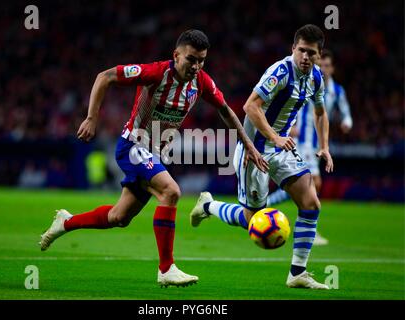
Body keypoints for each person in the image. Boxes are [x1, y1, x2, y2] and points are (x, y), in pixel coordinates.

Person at [39, 29, 268, 287]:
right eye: (191, 59)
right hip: (133, 145)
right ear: (176, 55)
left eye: (201, 60)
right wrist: (92, 118)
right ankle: (166, 268)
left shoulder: (201, 82)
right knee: (171, 192)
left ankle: (66, 222)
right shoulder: (156, 73)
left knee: (119, 217)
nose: (196, 66)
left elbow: (225, 110)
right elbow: (105, 77)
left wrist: (249, 145)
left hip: (156, 154)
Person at [190, 24, 333, 289]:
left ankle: (297, 273)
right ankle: (208, 205)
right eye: (301, 50)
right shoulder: (280, 71)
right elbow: (250, 106)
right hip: (254, 150)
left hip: (281, 148)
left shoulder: (315, 78)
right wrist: (274, 137)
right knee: (251, 219)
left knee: (311, 203)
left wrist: (324, 146)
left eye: (311, 53)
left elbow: (321, 112)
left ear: (318, 55)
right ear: (293, 48)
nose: (305, 57)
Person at [267, 49, 353, 245]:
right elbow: (294, 104)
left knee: (309, 186)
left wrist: (347, 122)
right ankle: (307, 229)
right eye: (320, 65)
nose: (323, 69)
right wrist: (292, 126)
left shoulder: (336, 91)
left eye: (327, 66)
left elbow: (345, 110)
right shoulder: (309, 82)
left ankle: (269, 206)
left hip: (316, 144)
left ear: (332, 68)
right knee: (312, 183)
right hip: (301, 142)